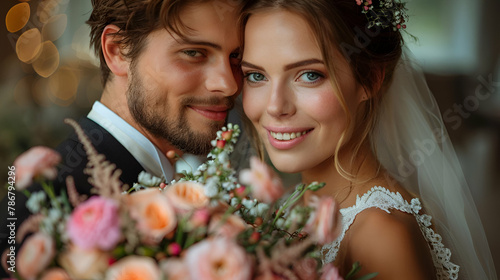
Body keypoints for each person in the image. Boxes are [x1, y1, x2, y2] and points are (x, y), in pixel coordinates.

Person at [239, 0, 497, 279]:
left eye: (310, 75)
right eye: (256, 75)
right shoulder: (287, 204)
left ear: (370, 79)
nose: (275, 106)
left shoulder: (380, 233)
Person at [0, 0, 244, 276]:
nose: (229, 84)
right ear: (118, 51)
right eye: (193, 53)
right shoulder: (46, 216)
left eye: (236, 57)